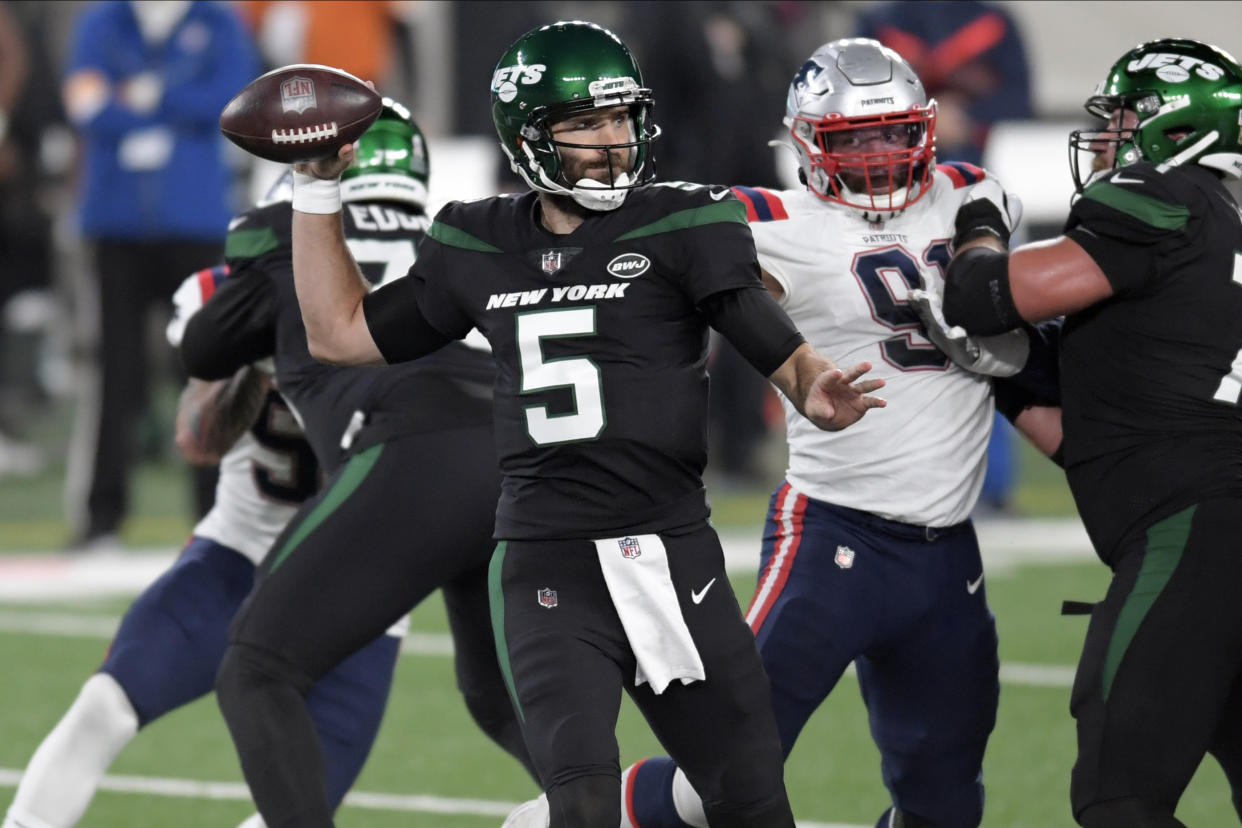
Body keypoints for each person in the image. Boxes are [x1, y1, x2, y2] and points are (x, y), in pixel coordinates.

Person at [259, 19, 887, 828]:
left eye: (622, 117)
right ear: (528, 135)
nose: (614, 140)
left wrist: (808, 381)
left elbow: (758, 329)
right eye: (586, 122)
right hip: (549, 561)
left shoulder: (684, 221)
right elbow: (339, 333)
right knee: (583, 806)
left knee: (751, 801)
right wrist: (316, 189)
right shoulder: (475, 241)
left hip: (669, 554)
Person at [503, 37, 1043, 828]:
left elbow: (988, 201)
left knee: (946, 805)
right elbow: (654, 230)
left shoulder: (967, 188)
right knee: (717, 778)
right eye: (854, 138)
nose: (879, 153)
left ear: (924, 129)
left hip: (947, 554)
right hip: (833, 539)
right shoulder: (770, 220)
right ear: (805, 144)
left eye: (895, 132)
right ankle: (556, 820)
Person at [199, 99, 537, 827]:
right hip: (520, 452)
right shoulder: (460, 233)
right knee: (498, 699)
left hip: (414, 451)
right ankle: (631, 810)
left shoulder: (278, 233)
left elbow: (201, 349)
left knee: (256, 670)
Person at [940, 37, 1242, 828]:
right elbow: (1094, 438)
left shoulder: (1166, 195)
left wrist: (975, 229)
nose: (1106, 137)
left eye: (1124, 117)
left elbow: (986, 296)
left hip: (1193, 534)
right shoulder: (1219, 236)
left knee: (1119, 797)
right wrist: (1005, 373)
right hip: (1210, 522)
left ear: (1178, 131)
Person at [1, 263, 402, 828]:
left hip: (359, 592)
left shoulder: (425, 294)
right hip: (236, 559)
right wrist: (255, 360)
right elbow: (198, 437)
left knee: (295, 812)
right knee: (102, 710)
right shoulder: (227, 291)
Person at [60, 0, 260, 549]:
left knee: (206, 370)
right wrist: (166, 106)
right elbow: (84, 104)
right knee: (114, 374)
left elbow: (232, 101)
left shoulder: (218, 21)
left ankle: (216, 517)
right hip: (116, 222)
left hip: (193, 220)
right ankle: (102, 517)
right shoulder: (103, 20)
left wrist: (142, 96)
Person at [856, 0, 1036, 514]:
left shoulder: (993, 24)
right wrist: (926, 121)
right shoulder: (877, 23)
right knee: (892, 341)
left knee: (995, 342)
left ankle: (995, 487)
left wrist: (971, 120)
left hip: (975, 205)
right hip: (889, 208)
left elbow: (1020, 101)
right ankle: (894, 478)